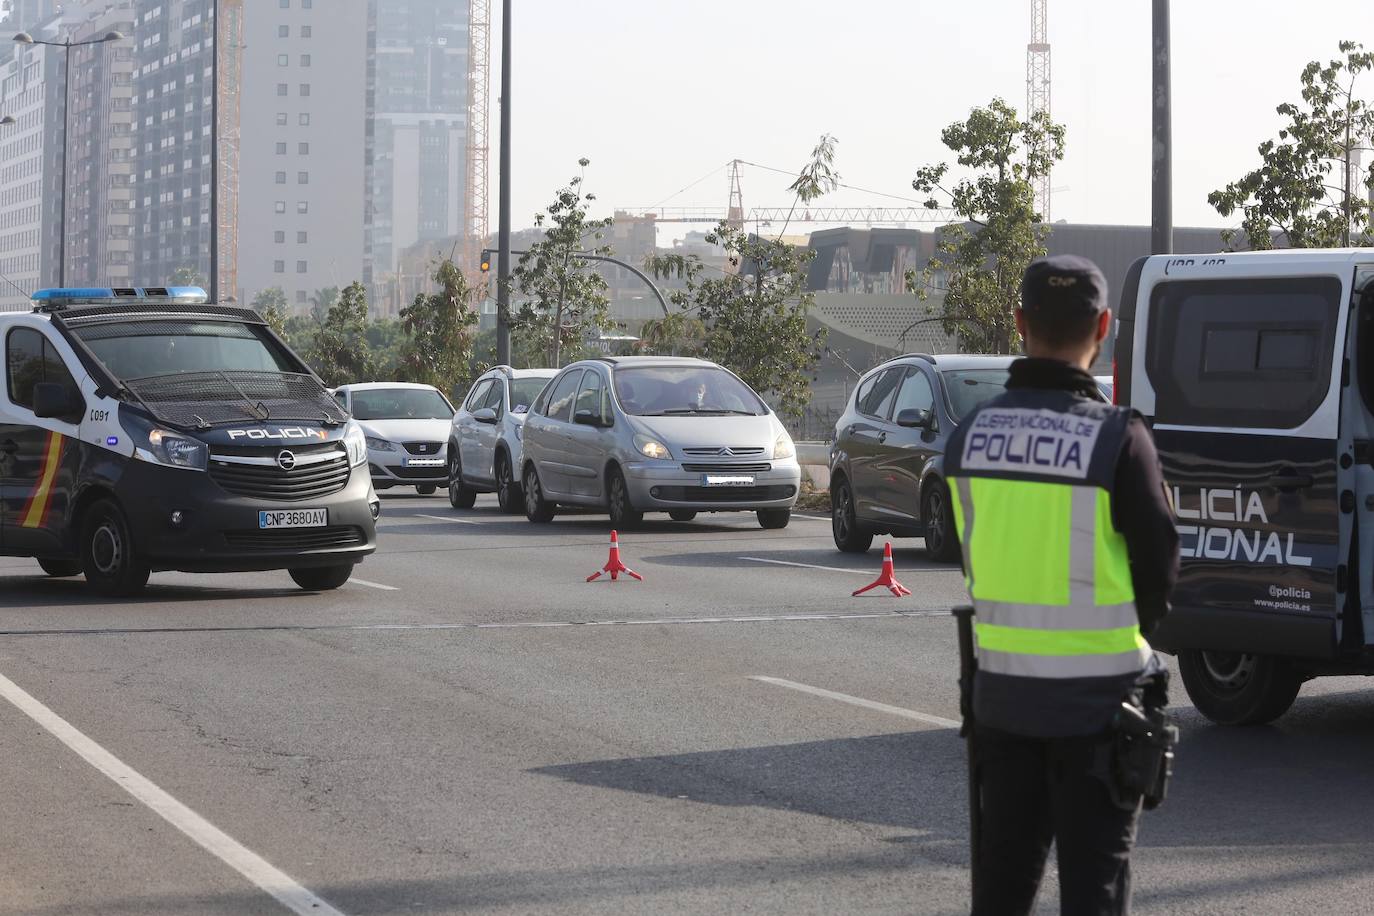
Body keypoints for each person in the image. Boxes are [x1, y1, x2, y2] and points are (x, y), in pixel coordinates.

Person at [944, 255, 1179, 916]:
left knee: (1003, 885)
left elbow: (977, 558)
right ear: (1102, 326)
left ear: (1019, 323)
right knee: (1094, 895)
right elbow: (1159, 576)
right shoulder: (1118, 439)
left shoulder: (971, 436)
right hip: (1100, 709)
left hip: (1003, 702)